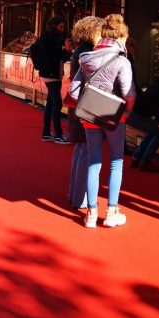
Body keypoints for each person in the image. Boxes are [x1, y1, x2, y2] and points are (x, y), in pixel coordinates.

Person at [68, 14, 136, 229]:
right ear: (121, 36)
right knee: (116, 162)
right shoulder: (121, 60)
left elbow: (73, 90)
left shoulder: (86, 58)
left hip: (90, 116)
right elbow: (129, 92)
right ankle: (112, 210)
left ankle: (91, 212)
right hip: (114, 117)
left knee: (93, 162)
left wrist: (83, 111)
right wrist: (125, 112)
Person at [65, 16, 105, 209]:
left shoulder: (79, 50)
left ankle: (75, 193)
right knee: (87, 152)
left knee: (81, 150)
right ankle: (80, 197)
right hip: (87, 104)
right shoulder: (89, 52)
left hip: (78, 104)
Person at [127, 68, 159, 172]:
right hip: (138, 115)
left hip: (134, 112)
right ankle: (145, 161)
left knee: (155, 129)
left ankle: (137, 157)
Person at [33, 16, 71, 144]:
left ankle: (46, 132)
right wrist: (65, 50)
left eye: (63, 27)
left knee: (51, 103)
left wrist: (66, 51)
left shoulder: (52, 39)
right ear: (54, 26)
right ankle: (58, 134)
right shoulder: (46, 40)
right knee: (57, 103)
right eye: (60, 27)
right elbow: (52, 59)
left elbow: (60, 59)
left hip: (54, 74)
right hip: (50, 74)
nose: (62, 29)